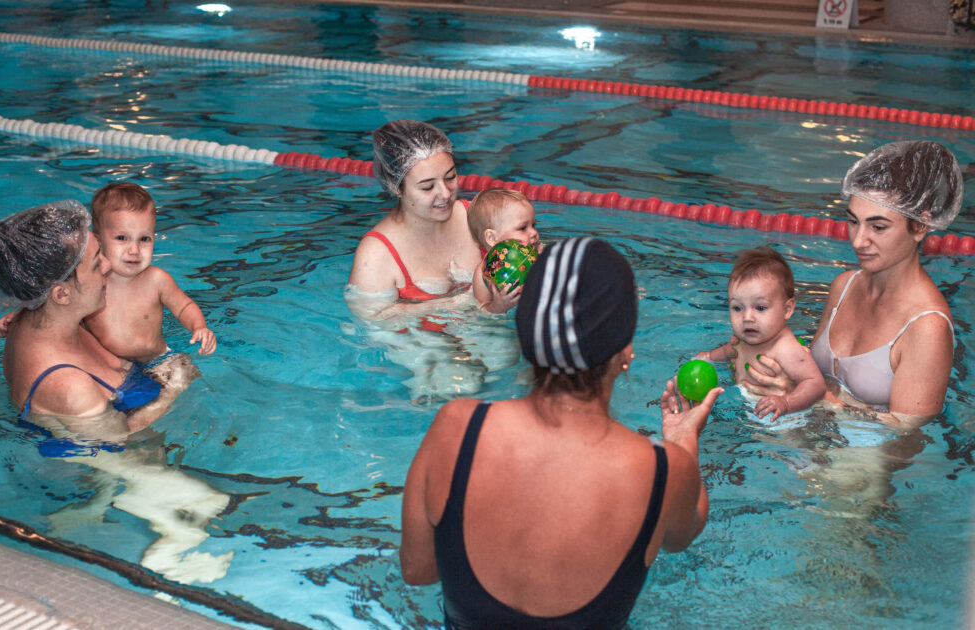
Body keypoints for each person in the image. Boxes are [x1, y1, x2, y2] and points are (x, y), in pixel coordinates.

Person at [400, 237, 722, 628]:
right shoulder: (661, 471)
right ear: (626, 352)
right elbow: (682, 534)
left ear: (526, 335)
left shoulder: (457, 429)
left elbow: (419, 571)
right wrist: (683, 438)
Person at [744, 140, 963, 429]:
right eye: (853, 222)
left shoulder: (927, 327)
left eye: (878, 227)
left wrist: (812, 396)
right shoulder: (843, 286)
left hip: (864, 464)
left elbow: (906, 432)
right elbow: (810, 372)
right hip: (810, 436)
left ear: (920, 226)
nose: (858, 241)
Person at [0, 200, 197, 439]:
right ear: (62, 294)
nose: (108, 265)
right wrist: (173, 389)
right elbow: (119, 450)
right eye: (96, 264)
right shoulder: (70, 387)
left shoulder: (34, 320)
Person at [0, 183, 217, 363]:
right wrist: (20, 315)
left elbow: (184, 306)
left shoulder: (156, 280)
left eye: (144, 239)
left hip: (156, 360)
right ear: (98, 240)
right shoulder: (91, 282)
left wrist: (199, 327)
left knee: (184, 371)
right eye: (122, 238)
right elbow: (55, 303)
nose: (135, 249)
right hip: (108, 362)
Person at [346, 119, 483, 320]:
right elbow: (375, 324)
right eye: (427, 187)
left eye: (451, 177)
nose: (445, 193)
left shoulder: (474, 216)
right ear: (395, 187)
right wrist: (451, 304)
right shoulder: (376, 255)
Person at [696, 246, 824, 421]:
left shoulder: (786, 349)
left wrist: (786, 403)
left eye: (760, 307)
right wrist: (707, 357)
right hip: (746, 408)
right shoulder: (741, 340)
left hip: (780, 418)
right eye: (737, 308)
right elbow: (726, 352)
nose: (747, 317)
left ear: (787, 309)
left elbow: (815, 384)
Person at [466, 187, 542, 314]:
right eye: (523, 228)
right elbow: (482, 311)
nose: (534, 233)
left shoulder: (531, 256)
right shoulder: (484, 275)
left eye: (533, 225)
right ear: (492, 238)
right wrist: (499, 306)